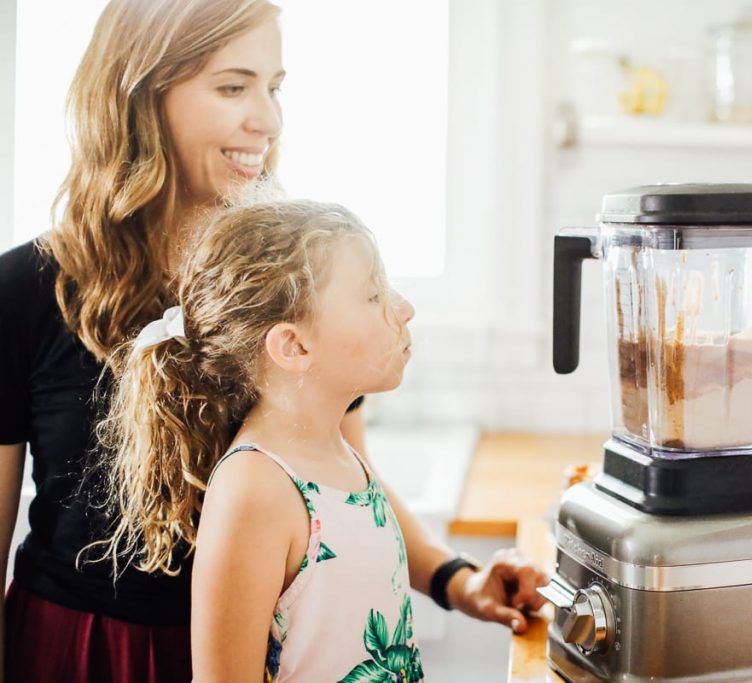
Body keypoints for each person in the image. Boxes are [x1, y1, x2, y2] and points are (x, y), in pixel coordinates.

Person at [0, 2, 545, 681]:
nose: (268, 118)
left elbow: (349, 474)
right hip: (78, 653)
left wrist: (459, 581)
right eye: (233, 86)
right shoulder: (24, 289)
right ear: (137, 97)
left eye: (274, 86)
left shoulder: (290, 279)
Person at [100, 198, 543, 682]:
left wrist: (467, 583)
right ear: (294, 346)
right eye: (373, 296)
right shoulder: (255, 490)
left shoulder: (339, 453)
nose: (405, 308)